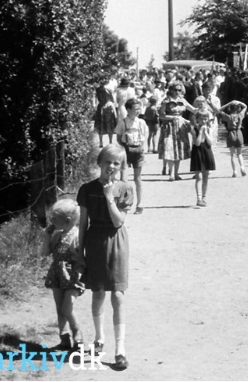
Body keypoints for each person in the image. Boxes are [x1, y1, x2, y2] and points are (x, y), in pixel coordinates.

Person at [77, 144, 135, 370]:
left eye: (116, 163)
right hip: (95, 242)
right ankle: (99, 339)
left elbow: (119, 221)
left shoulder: (125, 188)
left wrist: (109, 196)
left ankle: (120, 348)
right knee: (98, 292)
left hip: (117, 242)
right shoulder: (87, 189)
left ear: (121, 166)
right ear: (99, 162)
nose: (111, 166)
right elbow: (83, 223)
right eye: (107, 161)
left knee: (118, 294)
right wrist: (79, 253)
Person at [42, 198, 85, 352]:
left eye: (54, 219)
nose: (51, 221)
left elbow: (83, 259)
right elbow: (45, 253)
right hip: (57, 274)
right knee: (60, 307)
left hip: (73, 275)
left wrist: (79, 275)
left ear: (67, 220)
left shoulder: (78, 237)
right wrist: (47, 236)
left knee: (67, 307)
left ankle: (78, 336)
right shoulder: (56, 235)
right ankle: (64, 338)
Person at [115, 98, 148, 213]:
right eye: (135, 109)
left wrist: (140, 147)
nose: (138, 111)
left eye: (139, 109)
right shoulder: (122, 122)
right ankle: (124, 202)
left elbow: (144, 136)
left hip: (138, 151)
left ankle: (140, 204)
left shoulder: (141, 122)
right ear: (128, 109)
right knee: (124, 178)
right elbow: (118, 138)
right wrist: (124, 148)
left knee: (138, 178)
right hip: (126, 151)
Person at [190, 96, 217, 206]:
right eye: (202, 119)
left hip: (206, 151)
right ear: (197, 120)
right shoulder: (194, 129)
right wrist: (201, 132)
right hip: (198, 152)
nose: (204, 121)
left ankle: (204, 197)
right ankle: (198, 198)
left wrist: (206, 133)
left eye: (205, 119)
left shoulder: (209, 129)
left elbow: (210, 143)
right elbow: (197, 142)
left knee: (206, 176)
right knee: (199, 176)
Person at [218, 99, 248, 177]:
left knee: (232, 155)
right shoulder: (240, 115)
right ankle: (242, 167)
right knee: (239, 154)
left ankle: (234, 171)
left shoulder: (228, 117)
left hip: (231, 133)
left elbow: (219, 110)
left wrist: (229, 103)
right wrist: (239, 102)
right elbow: (245, 106)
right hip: (239, 132)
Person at [93, 81, 118, 148]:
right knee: (110, 124)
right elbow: (112, 99)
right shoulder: (108, 89)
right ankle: (110, 141)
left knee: (100, 124)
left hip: (100, 106)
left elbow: (96, 98)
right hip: (108, 106)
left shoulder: (97, 89)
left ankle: (101, 142)